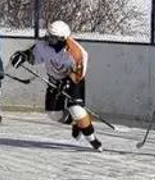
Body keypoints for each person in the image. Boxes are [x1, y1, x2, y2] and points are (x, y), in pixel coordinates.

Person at [10, 20, 102, 151]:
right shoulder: (43, 45)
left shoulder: (77, 53)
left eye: (53, 38)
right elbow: (33, 56)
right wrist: (24, 55)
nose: (49, 39)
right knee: (54, 114)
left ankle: (92, 138)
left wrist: (66, 84)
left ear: (62, 38)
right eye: (48, 35)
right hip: (54, 80)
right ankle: (76, 123)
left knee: (76, 109)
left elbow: (78, 74)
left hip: (74, 81)